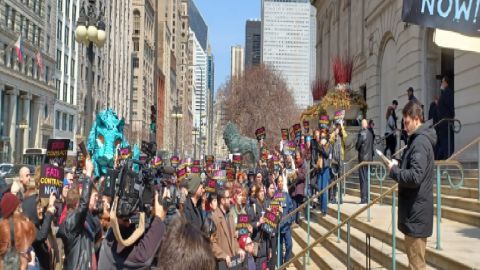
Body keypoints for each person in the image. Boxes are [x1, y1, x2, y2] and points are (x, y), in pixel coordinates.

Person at [387, 101, 436, 270]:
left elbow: (415, 177)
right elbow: (415, 168)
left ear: (416, 119)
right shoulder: (417, 140)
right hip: (415, 213)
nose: (404, 127)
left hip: (416, 214)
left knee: (416, 265)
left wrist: (394, 171)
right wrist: (400, 163)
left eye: (406, 122)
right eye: (403, 123)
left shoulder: (420, 142)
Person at [97, 191, 167, 269]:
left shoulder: (112, 233)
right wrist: (159, 219)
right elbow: (142, 257)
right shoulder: (111, 242)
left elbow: (130, 224)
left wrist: (151, 216)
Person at [56, 158, 99, 270]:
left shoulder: (79, 222)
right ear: (77, 203)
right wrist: (88, 174)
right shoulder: (71, 222)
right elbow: (84, 206)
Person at [21, 192, 58, 270]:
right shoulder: (28, 228)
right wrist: (49, 212)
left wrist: (51, 204)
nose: (41, 209)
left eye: (40, 206)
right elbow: (41, 236)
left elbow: (44, 216)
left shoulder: (37, 222)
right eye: (38, 208)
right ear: (31, 211)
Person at [211, 188, 245, 269]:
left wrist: (238, 249)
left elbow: (233, 238)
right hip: (221, 264)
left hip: (232, 263)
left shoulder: (230, 216)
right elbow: (211, 243)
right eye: (228, 197)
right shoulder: (214, 217)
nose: (230, 199)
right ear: (222, 200)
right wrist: (223, 255)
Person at [276, 176, 294, 264]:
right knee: (279, 249)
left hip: (286, 226)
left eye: (281, 181)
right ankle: (281, 266)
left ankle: (286, 261)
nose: (280, 183)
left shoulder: (286, 195)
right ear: (277, 183)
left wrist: (290, 220)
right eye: (278, 182)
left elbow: (291, 209)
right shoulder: (275, 196)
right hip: (278, 227)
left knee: (289, 245)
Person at [356, 119, 374, 204]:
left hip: (362, 159)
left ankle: (364, 198)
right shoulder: (370, 134)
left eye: (362, 124)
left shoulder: (362, 133)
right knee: (367, 179)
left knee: (363, 179)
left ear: (363, 125)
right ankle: (367, 197)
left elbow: (357, 146)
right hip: (369, 159)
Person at [437, 75, 455, 159]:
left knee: (447, 144)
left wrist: (450, 118)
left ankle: (447, 160)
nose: (441, 83)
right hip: (442, 124)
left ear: (446, 82)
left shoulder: (448, 92)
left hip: (446, 123)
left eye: (442, 82)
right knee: (443, 144)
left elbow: (450, 106)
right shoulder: (444, 93)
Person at [317, 131, 332, 215]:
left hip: (325, 168)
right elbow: (318, 150)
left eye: (323, 138)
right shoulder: (320, 146)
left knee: (324, 188)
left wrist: (322, 146)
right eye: (321, 137)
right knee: (319, 188)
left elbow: (326, 154)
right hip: (320, 168)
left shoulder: (329, 146)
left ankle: (324, 209)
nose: (322, 139)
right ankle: (321, 205)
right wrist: (321, 146)